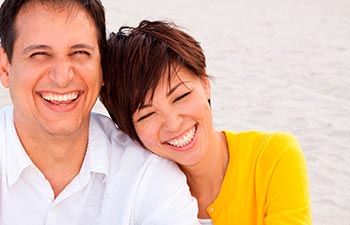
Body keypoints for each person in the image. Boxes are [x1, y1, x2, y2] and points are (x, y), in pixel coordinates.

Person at [0, 1, 199, 224]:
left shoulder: (147, 174)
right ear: (5, 67)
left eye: (79, 52)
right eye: (39, 54)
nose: (62, 77)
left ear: (102, 67)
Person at [100, 20, 312, 225]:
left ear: (205, 84)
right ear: (128, 128)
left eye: (181, 96)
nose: (173, 124)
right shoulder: (140, 191)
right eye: (147, 115)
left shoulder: (273, 155)